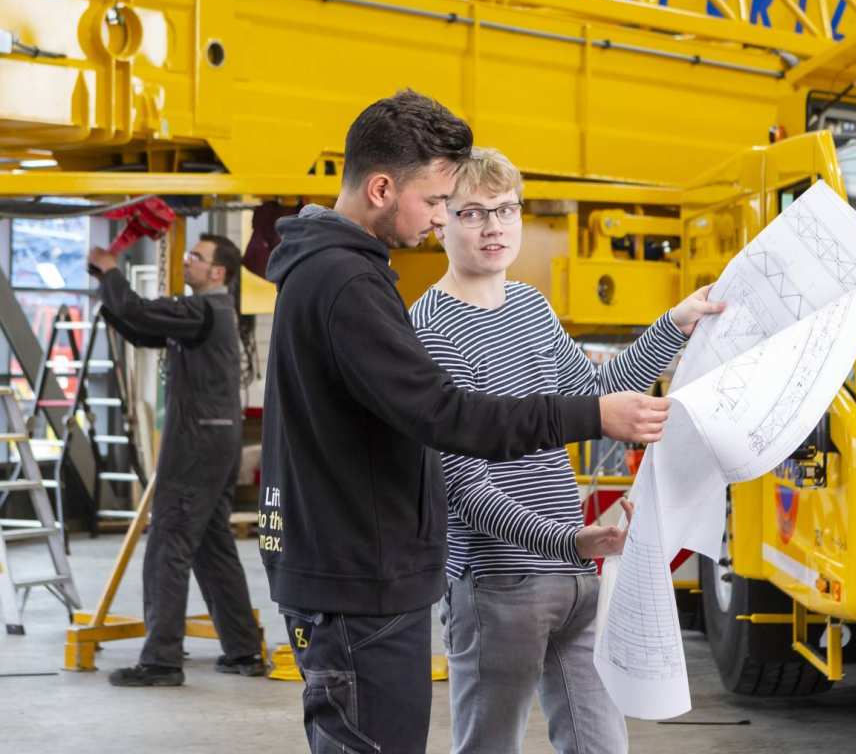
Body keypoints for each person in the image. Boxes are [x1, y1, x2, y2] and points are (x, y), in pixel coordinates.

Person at [259, 89, 671, 754]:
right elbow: (447, 419)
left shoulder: (348, 277)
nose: (444, 218)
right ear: (384, 187)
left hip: (367, 573)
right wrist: (592, 419)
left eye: (500, 209)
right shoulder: (349, 287)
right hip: (365, 577)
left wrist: (673, 330)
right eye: (441, 205)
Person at [410, 147, 723, 753]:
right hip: (499, 583)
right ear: (440, 221)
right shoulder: (430, 331)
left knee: (601, 747)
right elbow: (464, 488)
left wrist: (676, 324)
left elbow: (595, 392)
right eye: (473, 213)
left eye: (505, 209)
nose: (494, 227)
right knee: (488, 747)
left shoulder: (530, 306)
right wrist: (569, 540)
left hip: (578, 576)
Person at [88, 234, 265, 687]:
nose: (187, 261)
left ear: (218, 273)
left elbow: (141, 313)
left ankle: (162, 660)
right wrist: (108, 292)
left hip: (197, 443)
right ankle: (243, 648)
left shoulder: (203, 310)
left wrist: (111, 271)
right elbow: (144, 329)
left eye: (196, 257)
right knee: (212, 547)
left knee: (169, 541)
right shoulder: (209, 313)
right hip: (216, 440)